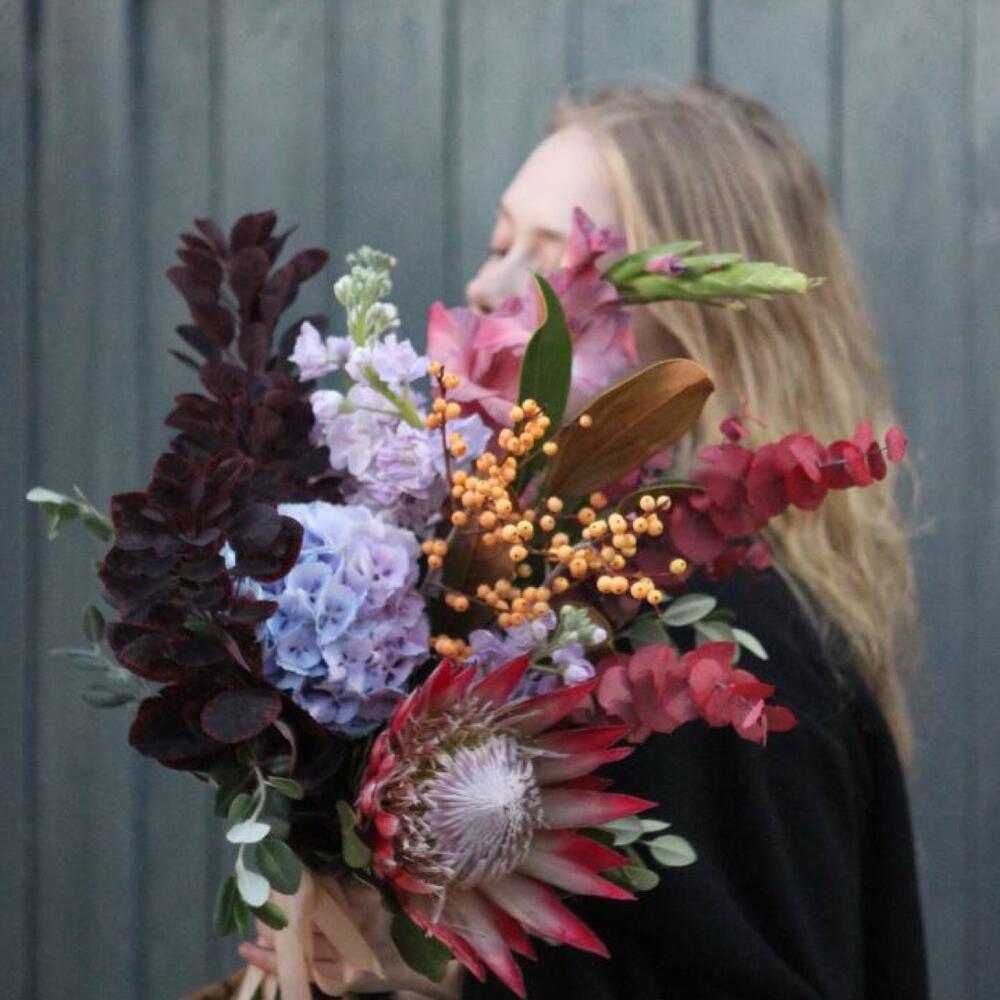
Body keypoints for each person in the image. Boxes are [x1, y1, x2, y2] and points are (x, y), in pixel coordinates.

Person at [241, 83, 929, 999]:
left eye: (552, 264)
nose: (485, 286)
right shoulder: (553, 596)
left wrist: (439, 971)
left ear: (691, 324)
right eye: (500, 244)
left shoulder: (712, 646)